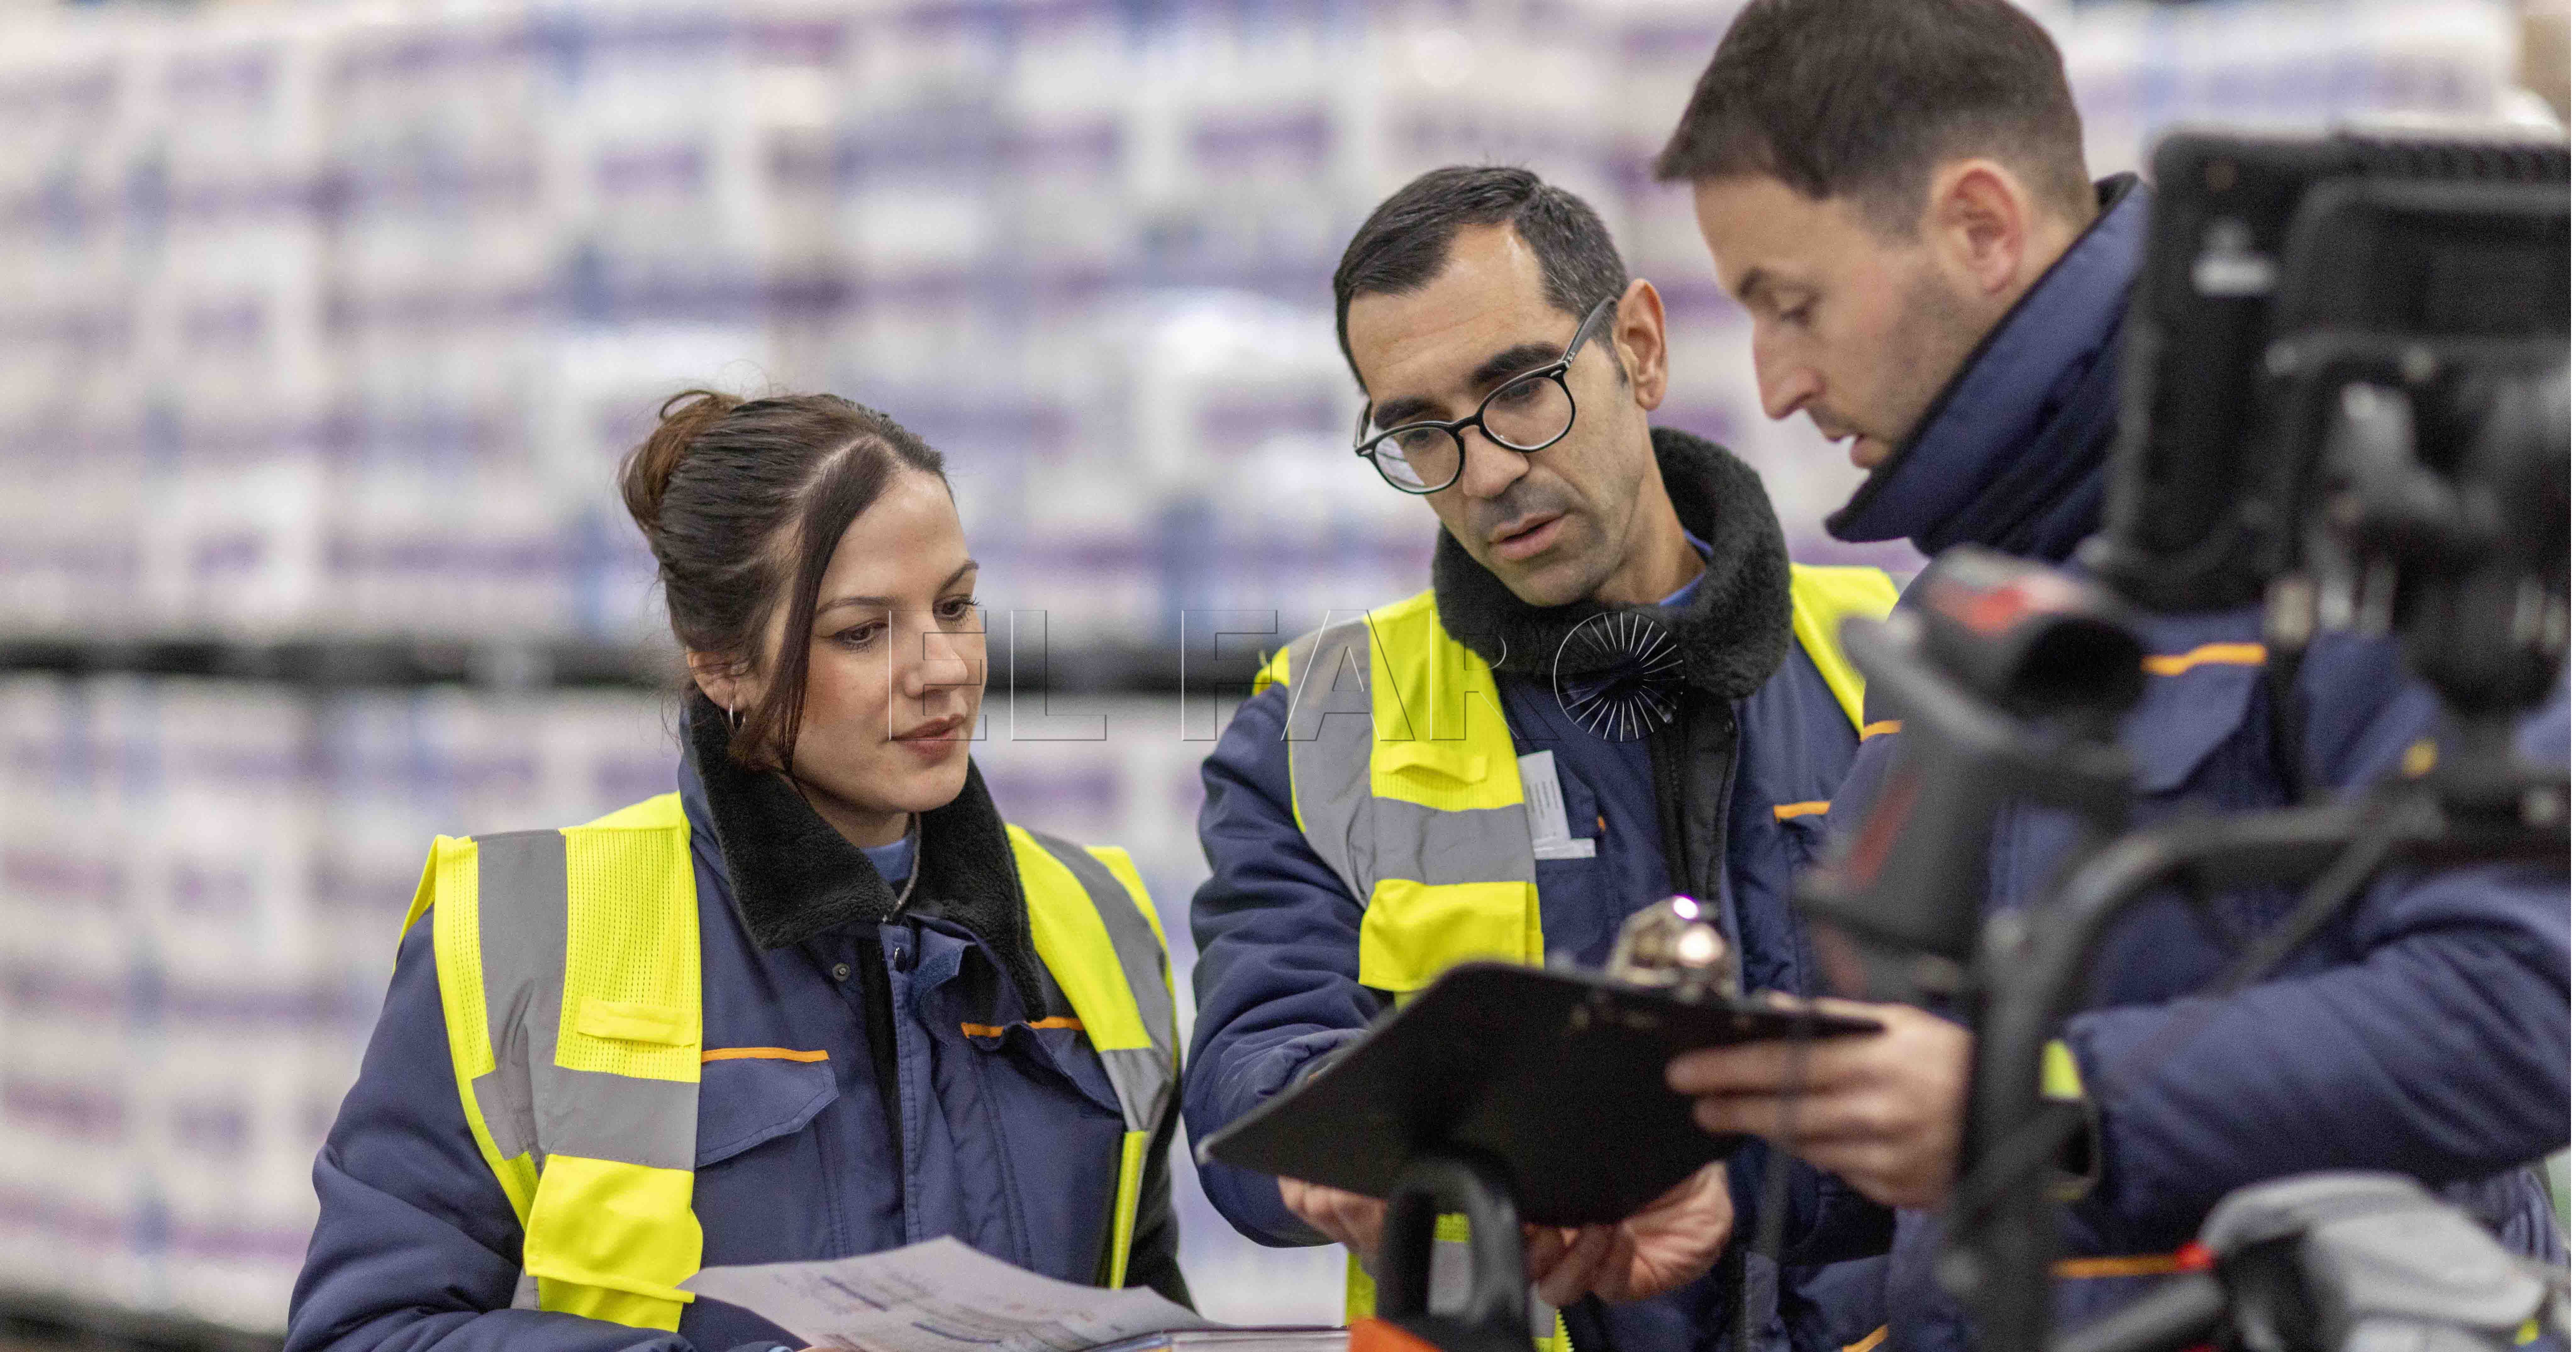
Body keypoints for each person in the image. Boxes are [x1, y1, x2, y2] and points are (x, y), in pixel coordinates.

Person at [1651, 3, 2571, 1350]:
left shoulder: (2348, 535)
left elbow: (2517, 1011)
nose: (1774, 383)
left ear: (1977, 225)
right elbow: (1921, 1150)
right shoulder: (1955, 623)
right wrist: (1708, 1209)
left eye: (1790, 304)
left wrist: (2034, 1100)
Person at [286, 392, 1188, 1352]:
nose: (943, 669)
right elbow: (364, 1335)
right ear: (722, 666)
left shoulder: (1097, 925)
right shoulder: (518, 939)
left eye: (955, 605)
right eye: (862, 631)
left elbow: (1138, 1301)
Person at [1182, 165, 1901, 1352]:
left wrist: (1754, 1180)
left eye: (1518, 389)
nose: (1484, 472)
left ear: (1641, 347)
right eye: (1419, 431)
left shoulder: (1886, 669)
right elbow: (1251, 1070)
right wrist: (1339, 1146)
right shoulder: (1318, 724)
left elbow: (2004, 1071)